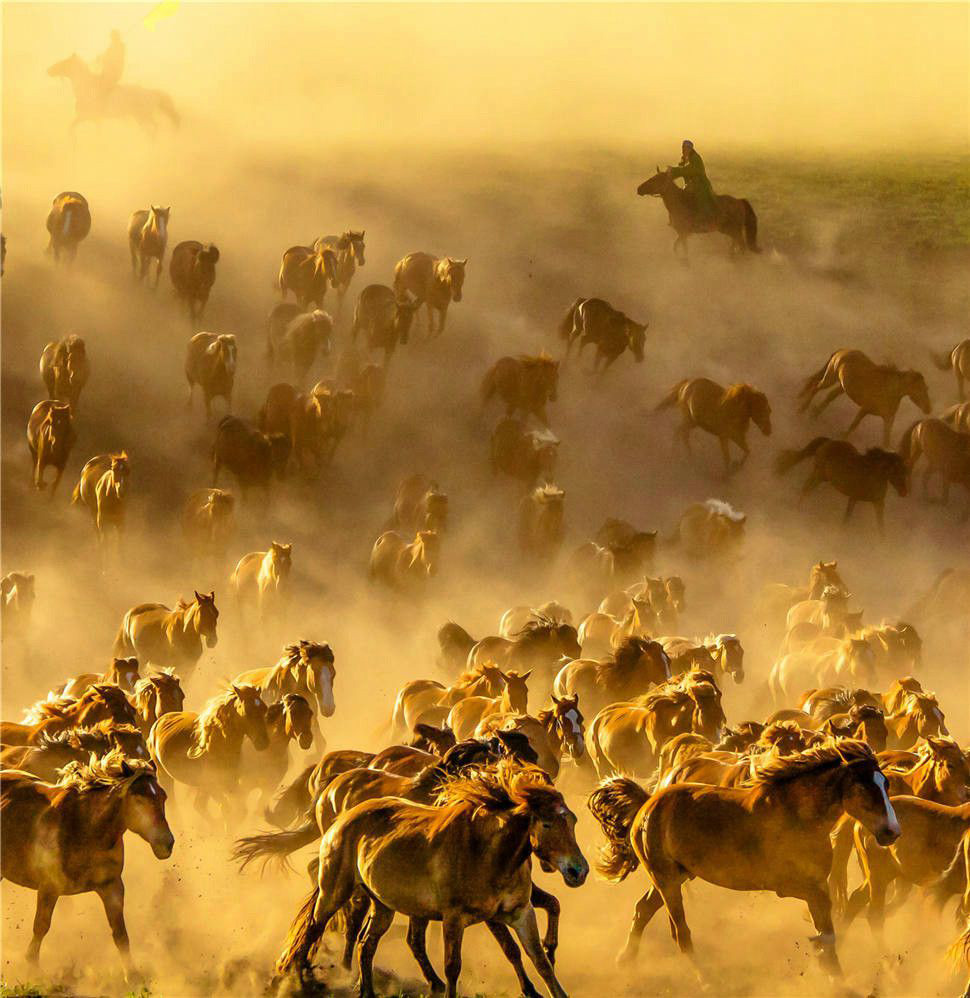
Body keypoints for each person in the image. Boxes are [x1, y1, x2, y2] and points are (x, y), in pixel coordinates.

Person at [668, 140, 717, 226]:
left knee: (700, 199)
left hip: (700, 185)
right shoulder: (685, 159)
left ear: (690, 149)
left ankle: (703, 218)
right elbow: (681, 170)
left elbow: (690, 170)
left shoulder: (695, 158)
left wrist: (675, 170)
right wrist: (669, 174)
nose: (683, 150)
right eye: (683, 148)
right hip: (690, 185)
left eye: (685, 148)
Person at [94, 29, 125, 96]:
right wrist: (99, 57)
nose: (111, 39)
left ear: (116, 37)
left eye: (113, 37)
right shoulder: (112, 46)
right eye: (111, 37)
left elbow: (114, 59)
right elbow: (106, 55)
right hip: (107, 71)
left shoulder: (120, 46)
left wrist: (104, 59)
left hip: (114, 72)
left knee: (102, 86)